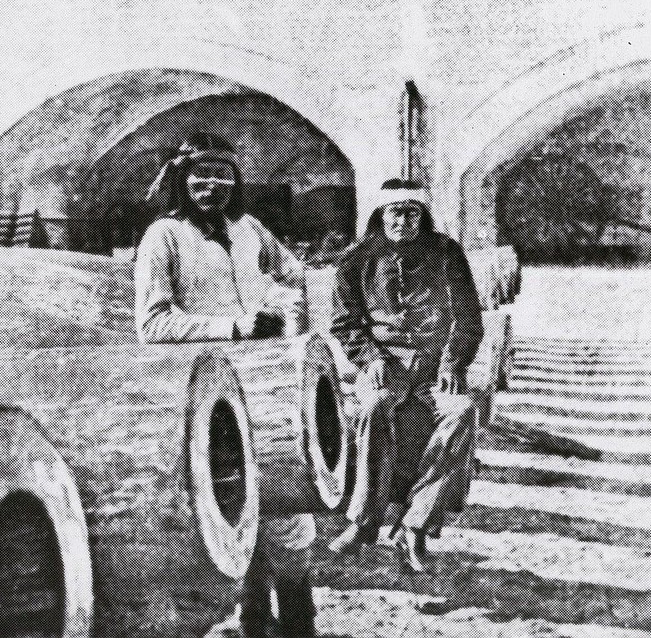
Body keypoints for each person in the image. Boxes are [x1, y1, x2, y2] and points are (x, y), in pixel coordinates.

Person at [135, 133, 316, 638]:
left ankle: (301, 625)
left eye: (223, 176)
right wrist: (231, 326)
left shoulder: (250, 230)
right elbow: (152, 324)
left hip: (263, 387)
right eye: (200, 177)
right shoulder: (164, 237)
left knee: (288, 512)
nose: (212, 186)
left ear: (236, 182)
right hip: (207, 397)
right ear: (181, 181)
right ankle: (254, 621)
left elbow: (295, 276)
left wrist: (287, 314)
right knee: (239, 510)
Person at [327, 179, 483, 572]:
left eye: (412, 213)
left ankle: (416, 524)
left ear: (423, 216)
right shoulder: (355, 259)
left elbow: (468, 318)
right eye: (396, 212)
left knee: (461, 411)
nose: (404, 221)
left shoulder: (446, 253)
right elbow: (345, 323)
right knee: (374, 408)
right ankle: (363, 523)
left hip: (434, 367)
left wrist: (452, 363)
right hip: (384, 365)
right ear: (381, 215)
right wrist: (369, 357)